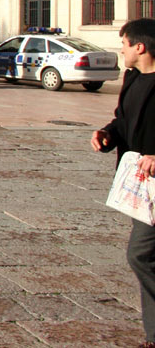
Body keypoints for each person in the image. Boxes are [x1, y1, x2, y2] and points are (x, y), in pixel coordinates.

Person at [91, 19, 155, 347]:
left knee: (141, 255)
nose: (123, 50)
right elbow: (124, 119)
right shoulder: (132, 78)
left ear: (140, 47)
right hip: (141, 185)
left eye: (125, 44)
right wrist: (108, 134)